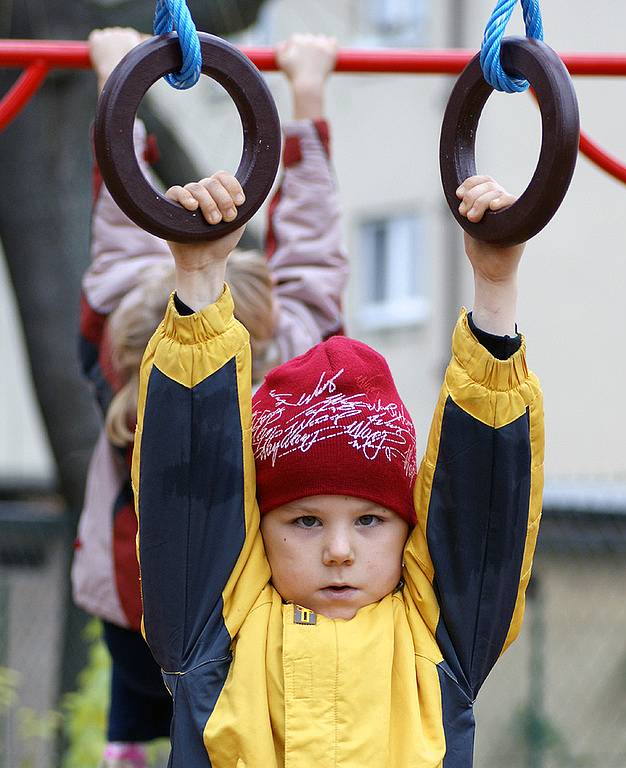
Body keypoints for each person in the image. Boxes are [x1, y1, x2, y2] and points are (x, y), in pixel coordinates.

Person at [132, 168, 544, 766]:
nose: (339, 551)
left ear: (411, 529)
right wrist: (197, 274)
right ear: (257, 527)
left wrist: (496, 284)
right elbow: (190, 473)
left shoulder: (439, 638)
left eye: (371, 520)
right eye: (304, 521)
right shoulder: (216, 629)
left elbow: (485, 498)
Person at [71, 28, 347, 768]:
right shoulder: (289, 377)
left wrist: (117, 86)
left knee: (141, 704)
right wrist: (307, 95)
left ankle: (129, 747)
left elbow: (123, 232)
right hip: (244, 625)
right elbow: (313, 256)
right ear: (265, 331)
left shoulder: (120, 365)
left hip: (135, 623)